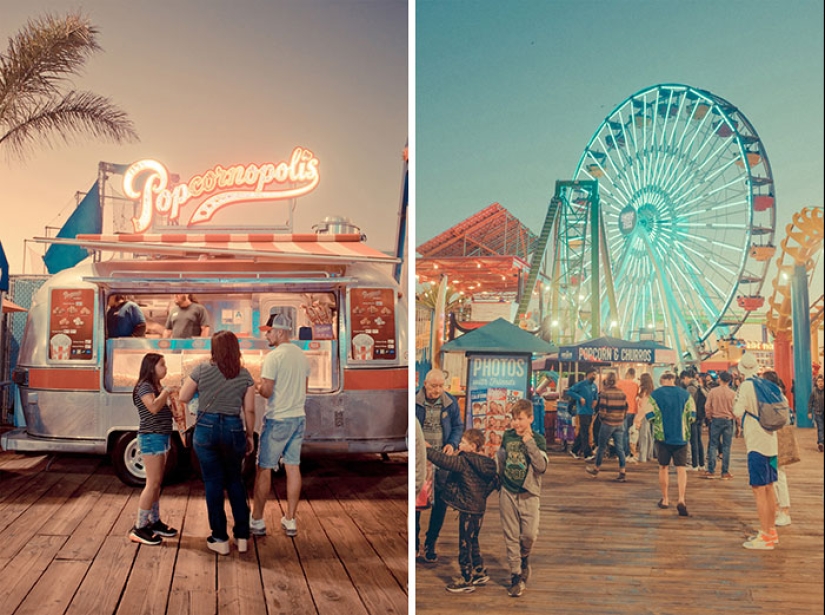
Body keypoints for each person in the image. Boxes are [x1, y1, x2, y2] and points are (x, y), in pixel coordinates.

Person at [179, 330, 256, 555]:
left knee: (212, 482)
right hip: (233, 428)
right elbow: (249, 409)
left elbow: (183, 396)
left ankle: (219, 539)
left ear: (214, 349)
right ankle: (242, 536)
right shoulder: (245, 375)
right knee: (235, 481)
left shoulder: (202, 369)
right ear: (236, 349)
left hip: (206, 428)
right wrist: (249, 435)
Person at [249, 312, 311, 538]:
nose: (267, 335)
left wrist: (256, 384)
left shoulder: (273, 357)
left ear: (281, 332)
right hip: (298, 417)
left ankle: (257, 520)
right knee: (293, 466)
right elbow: (305, 387)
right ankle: (291, 519)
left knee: (264, 467)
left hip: (278, 419)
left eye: (270, 331)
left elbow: (267, 391)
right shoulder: (301, 356)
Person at [426, 428, 498, 593]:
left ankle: (466, 579)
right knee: (473, 540)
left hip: (467, 509)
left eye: (463, 443)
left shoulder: (464, 461)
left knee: (465, 543)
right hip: (479, 509)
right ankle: (479, 571)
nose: (459, 444)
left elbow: (443, 461)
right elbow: (493, 482)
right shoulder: (485, 463)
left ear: (472, 446)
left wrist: (427, 449)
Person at [497, 399, 548, 598]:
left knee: (529, 534)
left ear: (530, 419)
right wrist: (499, 481)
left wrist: (529, 443)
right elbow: (501, 458)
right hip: (508, 491)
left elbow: (541, 467)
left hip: (529, 493)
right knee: (510, 534)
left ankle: (524, 556)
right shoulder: (507, 437)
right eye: (514, 419)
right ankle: (516, 574)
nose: (516, 423)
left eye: (521, 419)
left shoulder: (539, 439)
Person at [128, 353, 179, 545]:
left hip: (162, 437)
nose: (165, 368)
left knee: (158, 483)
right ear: (151, 367)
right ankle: (139, 527)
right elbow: (153, 407)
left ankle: (154, 521)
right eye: (162, 365)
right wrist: (166, 392)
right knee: (152, 483)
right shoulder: (145, 386)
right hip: (151, 438)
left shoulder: (155, 387)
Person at [415, 368, 463, 563]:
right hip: (421, 459)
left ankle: (431, 542)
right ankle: (414, 543)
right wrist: (418, 445)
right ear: (425, 384)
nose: (437, 390)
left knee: (440, 502)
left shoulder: (450, 403)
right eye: (434, 386)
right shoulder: (414, 402)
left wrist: (452, 443)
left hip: (441, 460)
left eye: (441, 386)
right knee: (417, 501)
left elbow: (458, 426)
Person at [733, 352, 780, 549]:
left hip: (756, 444)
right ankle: (772, 531)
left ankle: (764, 536)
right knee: (770, 487)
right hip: (772, 441)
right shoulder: (769, 384)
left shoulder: (746, 386)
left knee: (758, 490)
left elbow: (736, 412)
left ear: (741, 370)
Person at [646, 371, 695, 517]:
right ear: (674, 379)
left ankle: (666, 499)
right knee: (681, 469)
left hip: (662, 437)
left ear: (662, 380)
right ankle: (681, 499)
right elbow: (692, 416)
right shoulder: (686, 395)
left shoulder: (655, 395)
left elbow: (650, 415)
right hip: (681, 437)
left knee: (663, 467)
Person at [586, 372, 628, 481]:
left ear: (606, 381)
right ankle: (622, 471)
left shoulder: (605, 393)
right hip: (619, 423)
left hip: (608, 423)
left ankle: (596, 468)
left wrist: (602, 419)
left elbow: (602, 410)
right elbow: (625, 408)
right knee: (620, 448)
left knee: (601, 447)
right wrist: (621, 418)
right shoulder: (622, 393)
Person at [703, 371, 736, 480]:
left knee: (713, 445)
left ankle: (711, 471)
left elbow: (707, 406)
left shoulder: (713, 391)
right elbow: (735, 410)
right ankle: (725, 472)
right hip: (728, 421)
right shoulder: (732, 394)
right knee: (726, 447)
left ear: (719, 379)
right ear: (729, 380)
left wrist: (709, 417)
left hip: (715, 420)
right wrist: (738, 424)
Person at [569, 369, 598, 460]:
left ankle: (574, 449)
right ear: (588, 374)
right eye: (593, 374)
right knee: (585, 432)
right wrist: (580, 398)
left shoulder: (594, 386)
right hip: (582, 411)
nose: (594, 376)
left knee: (583, 430)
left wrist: (595, 401)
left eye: (595, 374)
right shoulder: (581, 384)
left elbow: (595, 396)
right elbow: (570, 391)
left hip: (590, 411)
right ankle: (587, 453)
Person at [680, 370, 706, 472]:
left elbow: (687, 403)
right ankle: (701, 464)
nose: (683, 382)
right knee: (699, 441)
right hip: (700, 417)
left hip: (693, 417)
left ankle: (694, 465)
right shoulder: (699, 386)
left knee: (693, 441)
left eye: (683, 380)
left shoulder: (690, 388)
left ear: (686, 377)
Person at [616, 368, 639, 461]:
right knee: (628, 432)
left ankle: (625, 453)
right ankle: (628, 453)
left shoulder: (620, 383)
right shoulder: (636, 385)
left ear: (627, 374)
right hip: (633, 410)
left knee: (623, 432)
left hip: (623, 410)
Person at [633, 373, 655, 463]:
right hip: (650, 413)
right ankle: (649, 454)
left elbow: (643, 405)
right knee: (648, 434)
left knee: (643, 435)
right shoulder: (651, 390)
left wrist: (638, 417)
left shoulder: (644, 391)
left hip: (644, 414)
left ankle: (642, 456)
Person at [809, 373, 824, 452]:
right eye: (819, 381)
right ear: (816, 383)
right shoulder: (814, 392)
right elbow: (810, 402)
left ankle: (821, 441)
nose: (820, 383)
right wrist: (809, 412)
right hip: (818, 413)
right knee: (820, 428)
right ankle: (821, 443)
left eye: (822, 381)